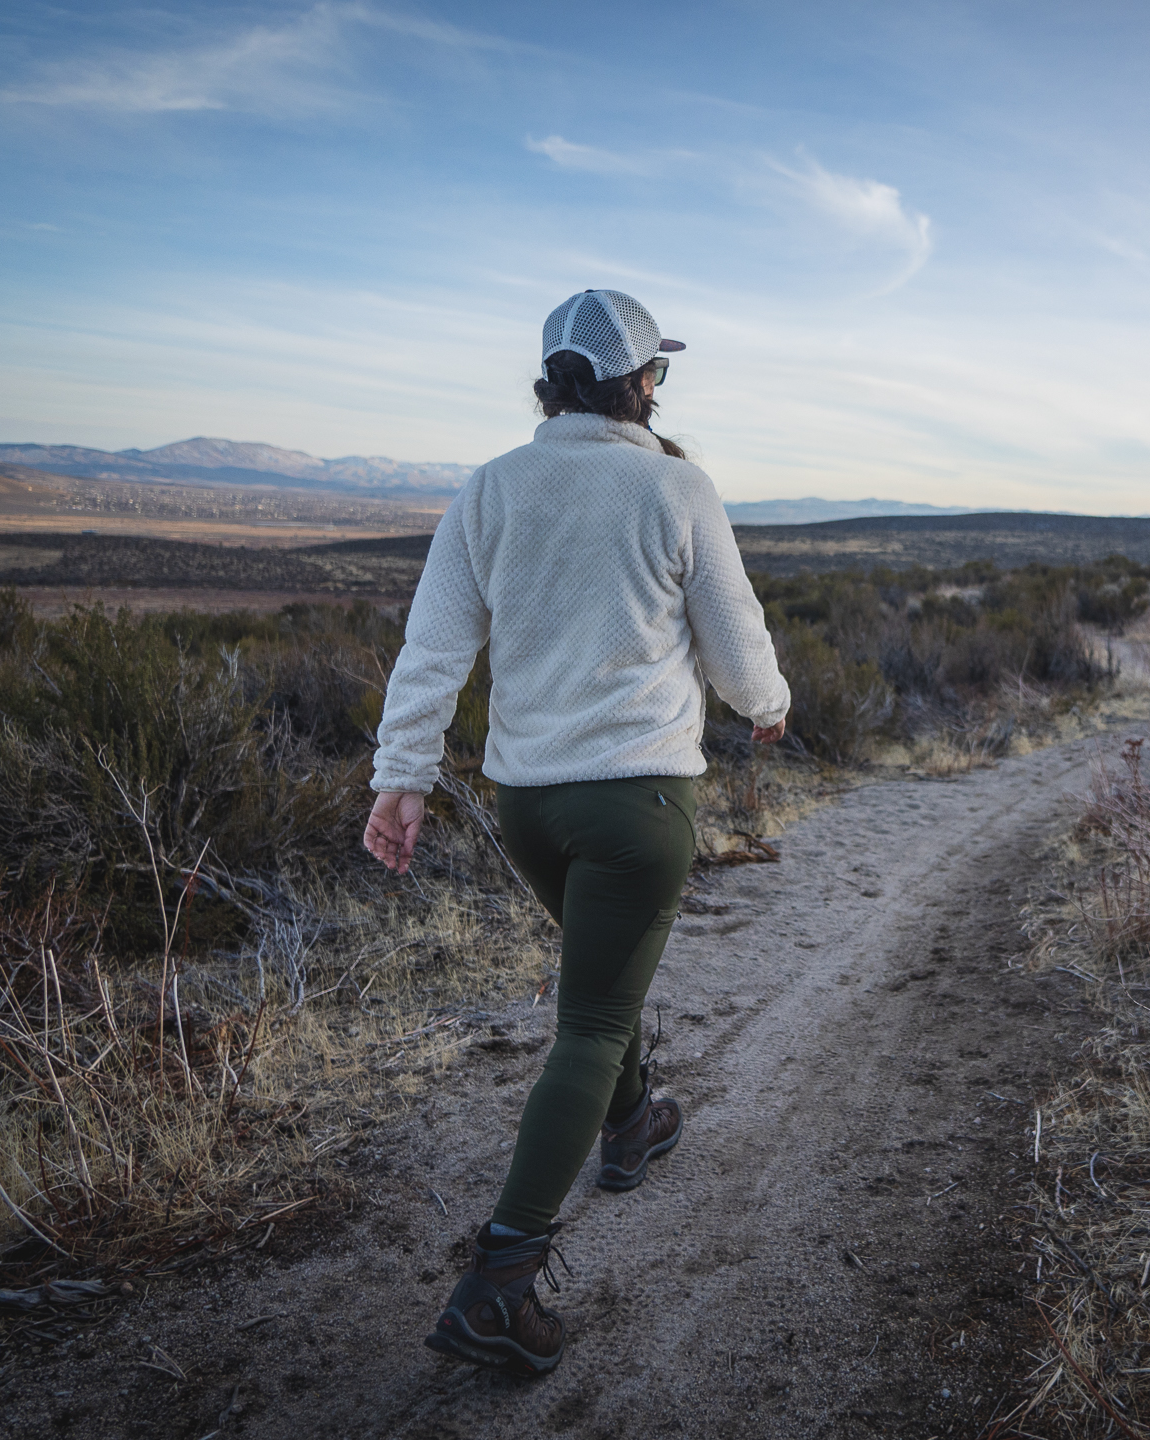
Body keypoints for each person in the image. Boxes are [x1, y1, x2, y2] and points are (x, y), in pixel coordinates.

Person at [361, 289, 791, 1376]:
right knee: (594, 1020)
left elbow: (434, 645)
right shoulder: (673, 485)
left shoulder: (491, 487)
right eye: (659, 375)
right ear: (640, 382)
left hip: (529, 810)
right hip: (637, 805)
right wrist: (769, 705)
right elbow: (736, 649)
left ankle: (635, 1124)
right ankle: (500, 1284)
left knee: (602, 978)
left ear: (552, 384)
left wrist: (402, 777)